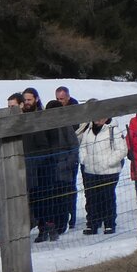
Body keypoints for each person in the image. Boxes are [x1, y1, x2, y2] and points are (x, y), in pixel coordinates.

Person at [76, 103, 127, 234]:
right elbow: (83, 147)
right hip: (91, 171)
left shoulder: (113, 130)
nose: (97, 118)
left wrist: (108, 162)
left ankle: (109, 223)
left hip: (108, 171)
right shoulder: (88, 131)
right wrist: (85, 160)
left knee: (107, 198)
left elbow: (121, 149)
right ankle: (92, 223)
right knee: (92, 199)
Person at [20, 87, 58, 242]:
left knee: (46, 198)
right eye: (25, 100)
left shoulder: (42, 117)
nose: (27, 103)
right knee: (34, 200)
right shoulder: (22, 118)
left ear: (36, 99)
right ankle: (42, 228)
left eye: (29, 99)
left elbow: (50, 141)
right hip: (28, 165)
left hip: (44, 165)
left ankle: (50, 227)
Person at [45, 99, 80, 234]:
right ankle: (52, 223)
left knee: (63, 197)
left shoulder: (66, 126)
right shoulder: (44, 126)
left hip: (63, 169)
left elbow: (74, 146)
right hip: (48, 169)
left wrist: (66, 164)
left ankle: (62, 223)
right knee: (51, 198)